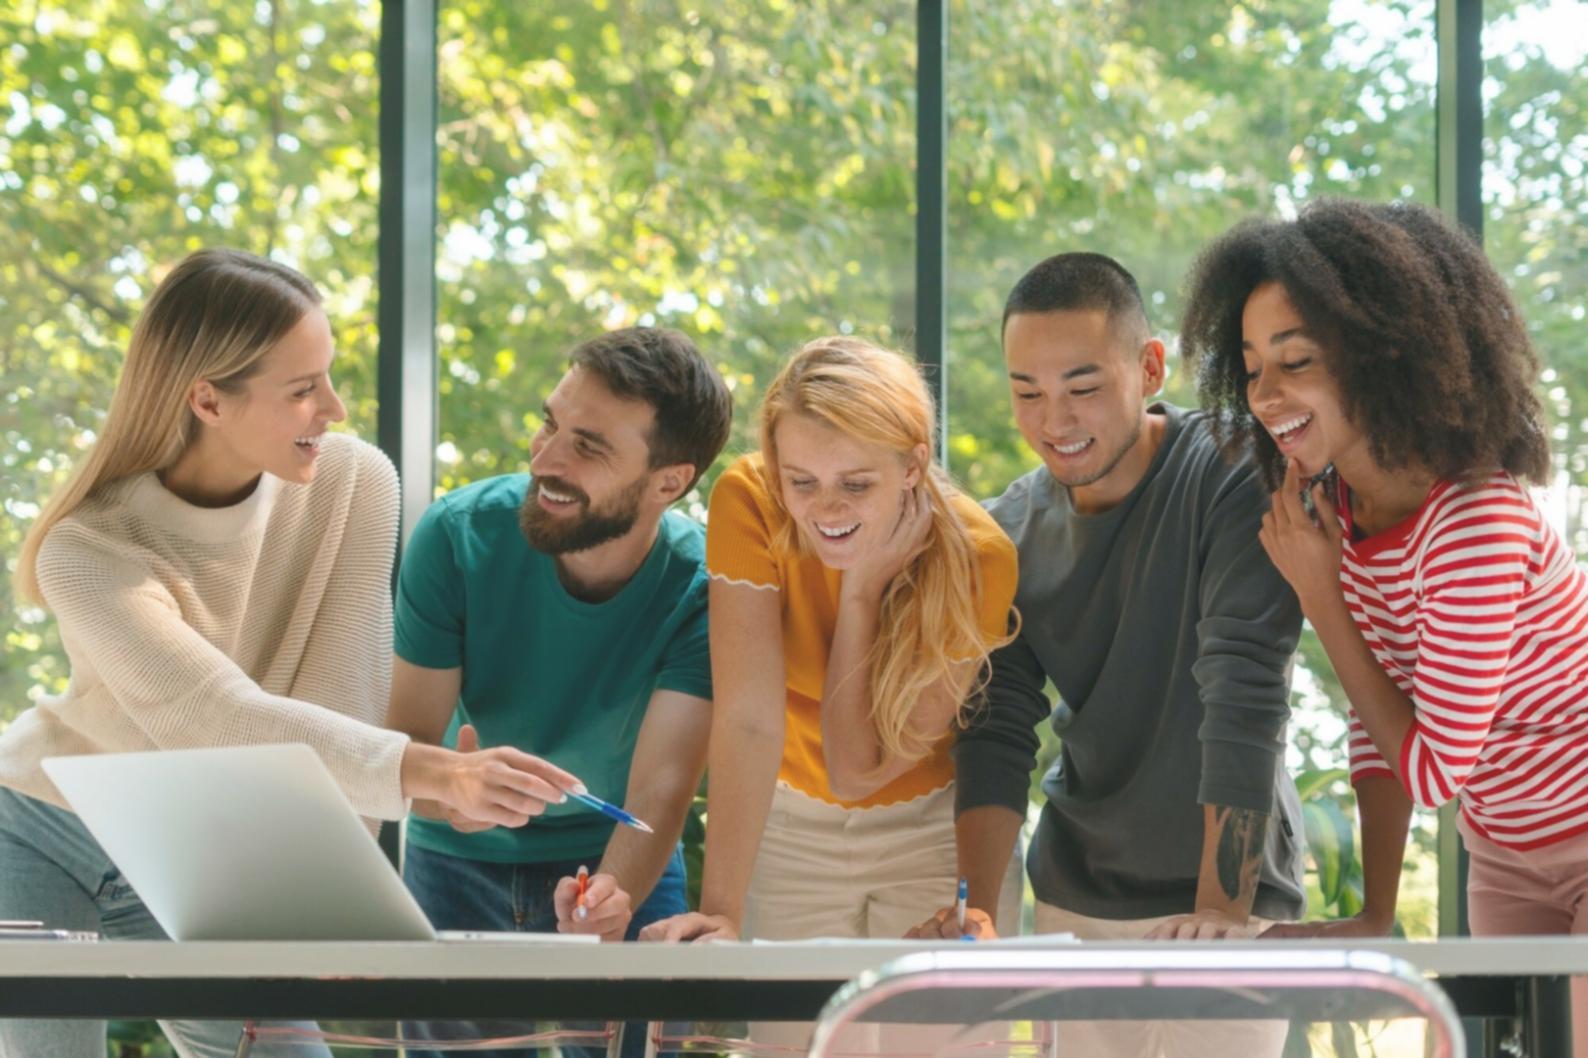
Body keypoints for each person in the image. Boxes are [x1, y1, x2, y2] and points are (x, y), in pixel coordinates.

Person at [0, 249, 578, 1058]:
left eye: (329, 377)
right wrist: (433, 772)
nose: (334, 408)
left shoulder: (352, 485)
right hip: (42, 827)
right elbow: (213, 714)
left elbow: (334, 716)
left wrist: (410, 803)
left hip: (202, 850)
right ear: (207, 398)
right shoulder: (87, 549)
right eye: (303, 390)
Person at [1185, 197, 1588, 1057]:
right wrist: (1373, 913)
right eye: (1251, 366)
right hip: (1506, 849)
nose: (1265, 395)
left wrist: (1322, 597)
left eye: (1295, 361)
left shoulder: (1476, 520)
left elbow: (1435, 769)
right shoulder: (1342, 509)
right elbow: (1383, 732)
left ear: (1383, 359)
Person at [909, 253, 1306, 1057]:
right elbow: (995, 732)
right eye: (1027, 392)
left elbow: (1244, 688)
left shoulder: (1237, 468)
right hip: (1078, 901)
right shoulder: (1006, 530)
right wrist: (978, 916)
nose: (1054, 420)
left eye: (1082, 387)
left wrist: (1221, 912)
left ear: (1150, 366)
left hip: (1229, 898)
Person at [388, 326, 732, 1057]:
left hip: (615, 855)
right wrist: (449, 791)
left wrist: (612, 896)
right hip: (453, 860)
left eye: (590, 446)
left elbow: (663, 789)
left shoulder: (704, 588)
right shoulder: (455, 537)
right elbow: (405, 747)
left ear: (670, 481)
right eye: (551, 424)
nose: (546, 459)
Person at [641, 336, 1024, 949]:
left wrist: (861, 590)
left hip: (930, 831)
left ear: (913, 467)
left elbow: (856, 769)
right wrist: (723, 915)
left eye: (856, 484)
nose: (825, 508)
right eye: (801, 480)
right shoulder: (749, 501)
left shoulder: (979, 558)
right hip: (786, 822)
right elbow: (747, 721)